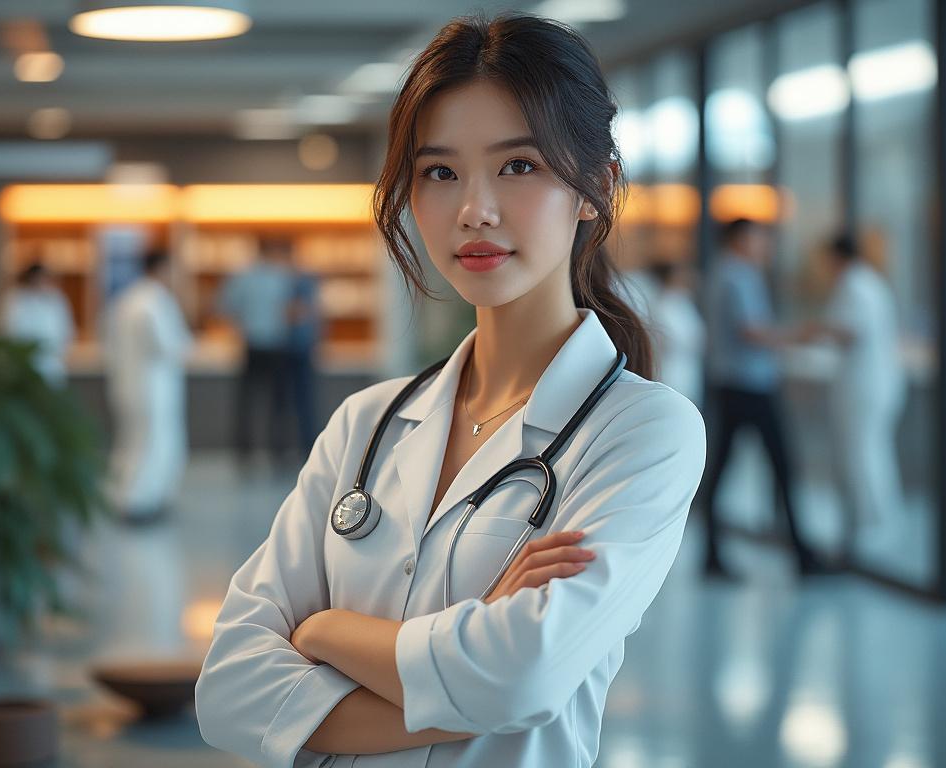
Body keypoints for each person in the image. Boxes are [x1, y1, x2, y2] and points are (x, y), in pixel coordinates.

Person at [196, 15, 706, 768]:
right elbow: (228, 689)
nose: (474, 210)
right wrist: (468, 673)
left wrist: (325, 632)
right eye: (439, 173)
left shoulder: (643, 431)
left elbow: (520, 676)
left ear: (596, 189)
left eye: (518, 166)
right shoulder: (367, 422)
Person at [701, 218, 826, 579]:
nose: (764, 245)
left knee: (724, 469)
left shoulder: (723, 273)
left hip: (735, 384)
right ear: (740, 239)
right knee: (781, 466)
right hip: (749, 386)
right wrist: (796, 336)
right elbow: (751, 331)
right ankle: (801, 555)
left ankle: (714, 554)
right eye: (758, 238)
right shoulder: (737, 275)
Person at [814, 234, 906, 548]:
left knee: (864, 453)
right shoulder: (870, 282)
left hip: (865, 385)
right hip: (875, 382)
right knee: (873, 451)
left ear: (835, 256)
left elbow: (849, 332)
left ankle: (874, 523)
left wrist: (815, 331)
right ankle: (876, 520)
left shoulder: (854, 285)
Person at [107, 249, 192, 522]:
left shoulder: (126, 299)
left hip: (128, 384)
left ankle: (123, 496)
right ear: (162, 268)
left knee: (131, 442)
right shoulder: (156, 302)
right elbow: (169, 345)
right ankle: (139, 501)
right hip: (153, 389)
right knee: (151, 444)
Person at [218, 239, 297, 470]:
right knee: (277, 403)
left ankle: (244, 453)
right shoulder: (283, 278)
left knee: (247, 402)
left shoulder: (242, 277)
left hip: (251, 344)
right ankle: (278, 451)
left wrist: (243, 323)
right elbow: (291, 311)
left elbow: (225, 307)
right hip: (276, 345)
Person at [0, 262, 74, 386]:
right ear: (29, 278)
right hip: (22, 365)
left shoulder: (55, 299)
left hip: (50, 366)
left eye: (44, 278)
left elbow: (66, 331)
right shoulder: (15, 299)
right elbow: (7, 330)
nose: (40, 282)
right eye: (37, 278)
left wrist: (60, 351)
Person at [647, 260, 706, 407]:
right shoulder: (663, 305)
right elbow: (669, 340)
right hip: (672, 369)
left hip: (688, 367)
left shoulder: (684, 301)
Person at [285, 262, 324, 458]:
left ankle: (301, 444)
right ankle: (303, 444)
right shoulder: (306, 289)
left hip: (295, 351)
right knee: (302, 401)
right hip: (298, 351)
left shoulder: (296, 289)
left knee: (297, 402)